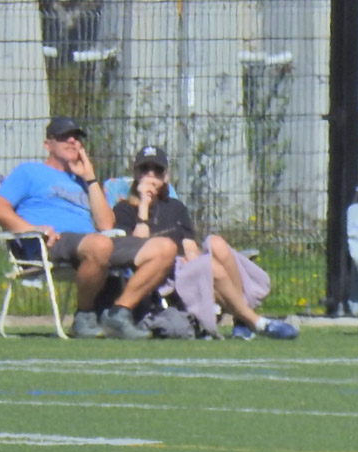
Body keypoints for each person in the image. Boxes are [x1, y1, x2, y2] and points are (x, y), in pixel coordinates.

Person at [0, 115, 178, 340]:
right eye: (63, 137)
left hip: (95, 242)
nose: (72, 142)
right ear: (48, 144)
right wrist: (34, 229)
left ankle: (119, 312)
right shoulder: (28, 172)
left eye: (77, 137)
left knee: (165, 248)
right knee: (99, 244)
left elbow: (106, 224)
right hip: (52, 240)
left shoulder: (82, 180)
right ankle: (84, 315)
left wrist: (90, 178)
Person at [110, 144, 298, 340]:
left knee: (215, 243)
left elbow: (190, 246)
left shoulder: (175, 207)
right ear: (136, 174)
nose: (150, 175)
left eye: (157, 170)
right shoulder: (124, 209)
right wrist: (143, 206)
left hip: (183, 269)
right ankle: (254, 322)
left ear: (166, 176)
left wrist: (194, 262)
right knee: (212, 268)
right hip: (159, 277)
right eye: (144, 169)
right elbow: (136, 250)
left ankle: (244, 320)